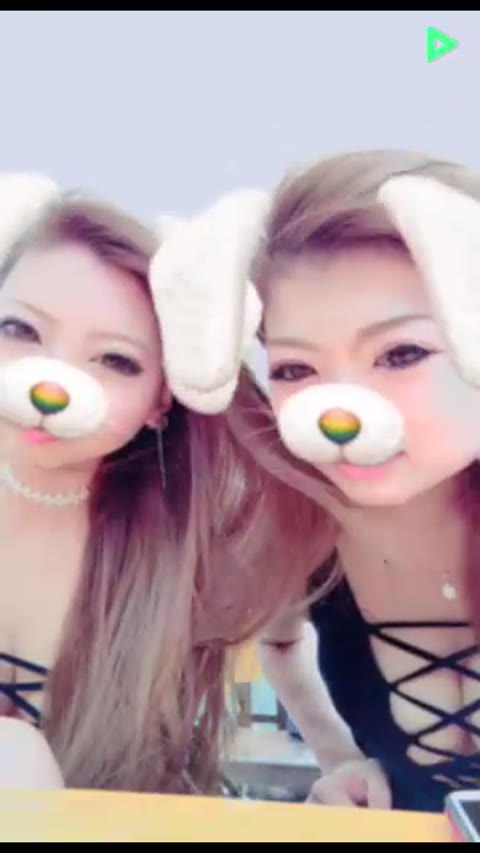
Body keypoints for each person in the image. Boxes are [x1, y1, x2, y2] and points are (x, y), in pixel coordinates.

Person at [154, 150, 480, 812]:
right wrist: (342, 758)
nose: (338, 412)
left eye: (402, 354)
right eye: (296, 369)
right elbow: (281, 644)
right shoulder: (298, 527)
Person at [0, 175, 321, 794]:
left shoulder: (197, 550)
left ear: (160, 401)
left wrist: (340, 756)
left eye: (115, 360)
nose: (51, 385)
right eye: (19, 329)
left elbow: (288, 639)